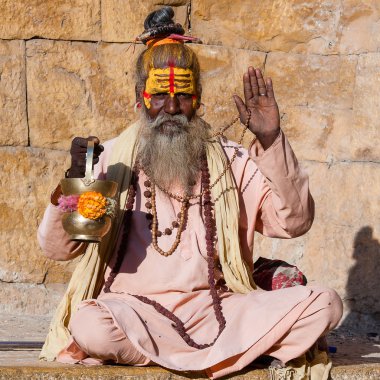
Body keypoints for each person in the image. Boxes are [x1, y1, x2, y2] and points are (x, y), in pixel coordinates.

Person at [38, 6, 343, 379]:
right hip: (134, 312)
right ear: (140, 98)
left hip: (217, 308)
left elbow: (293, 223)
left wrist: (270, 139)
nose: (171, 108)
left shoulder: (229, 159)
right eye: (160, 95)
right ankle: (242, 352)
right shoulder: (112, 160)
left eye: (182, 95)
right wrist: (72, 183)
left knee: (325, 305)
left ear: (197, 97)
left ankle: (192, 353)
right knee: (90, 326)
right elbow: (58, 250)